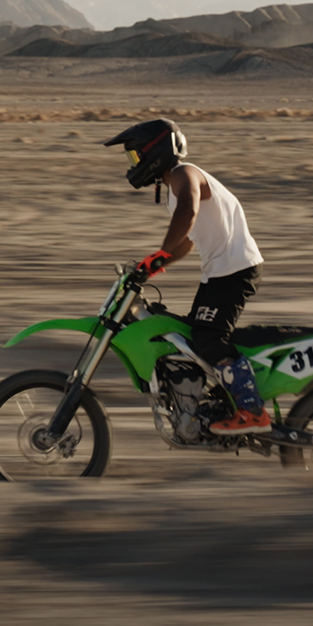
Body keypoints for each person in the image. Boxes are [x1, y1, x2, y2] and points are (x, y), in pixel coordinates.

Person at [102, 119, 269, 435]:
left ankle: (252, 411)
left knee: (209, 339)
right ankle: (215, 404)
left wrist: (161, 251)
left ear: (156, 151)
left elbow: (188, 213)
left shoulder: (183, 174)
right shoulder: (173, 187)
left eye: (136, 156)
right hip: (221, 272)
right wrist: (153, 265)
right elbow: (190, 240)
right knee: (192, 339)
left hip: (234, 270)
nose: (133, 164)